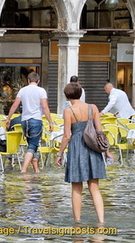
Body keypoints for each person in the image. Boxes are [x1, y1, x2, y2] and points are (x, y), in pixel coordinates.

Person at [56, 83, 113, 223]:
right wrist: (106, 151)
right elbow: (99, 132)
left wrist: (60, 153)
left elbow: (67, 136)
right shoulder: (92, 107)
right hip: (93, 147)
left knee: (76, 187)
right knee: (94, 187)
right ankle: (101, 221)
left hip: (77, 147)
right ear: (81, 93)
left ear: (66, 96)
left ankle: (77, 222)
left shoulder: (68, 111)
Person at [6, 72, 53, 173]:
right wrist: (50, 122)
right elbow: (44, 107)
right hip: (36, 120)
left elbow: (15, 105)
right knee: (32, 146)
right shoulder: (41, 91)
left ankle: (36, 169)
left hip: (25, 121)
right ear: (38, 81)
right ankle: (24, 169)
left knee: (32, 145)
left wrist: (8, 118)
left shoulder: (22, 90)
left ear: (28, 80)